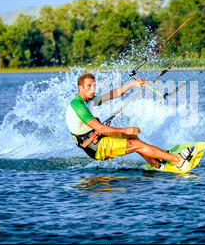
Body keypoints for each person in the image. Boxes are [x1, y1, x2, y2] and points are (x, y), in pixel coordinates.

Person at [66, 73, 196, 171]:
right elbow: (101, 129)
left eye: (94, 85)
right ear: (80, 87)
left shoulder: (89, 100)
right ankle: (178, 161)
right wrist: (125, 129)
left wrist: (133, 84)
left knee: (132, 137)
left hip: (97, 139)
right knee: (136, 144)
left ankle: (156, 165)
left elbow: (114, 94)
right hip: (95, 147)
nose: (93, 89)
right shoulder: (78, 105)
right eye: (89, 86)